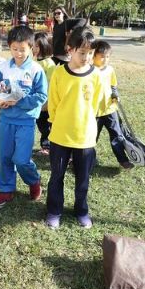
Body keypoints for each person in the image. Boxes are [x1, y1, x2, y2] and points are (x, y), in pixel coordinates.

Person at [46, 26, 102, 229]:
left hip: (85, 136)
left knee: (82, 180)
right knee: (56, 177)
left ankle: (81, 210)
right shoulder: (59, 73)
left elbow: (96, 104)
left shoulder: (96, 75)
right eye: (82, 53)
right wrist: (57, 122)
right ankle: (54, 210)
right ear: (69, 49)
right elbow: (53, 103)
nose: (86, 57)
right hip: (60, 135)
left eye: (89, 53)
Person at [0, 25, 48, 209]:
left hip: (25, 122)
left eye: (22, 49)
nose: (18, 53)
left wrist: (19, 101)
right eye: (14, 49)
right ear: (9, 47)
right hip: (6, 119)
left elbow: (41, 96)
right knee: (4, 157)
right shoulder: (4, 66)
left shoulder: (35, 70)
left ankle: (33, 180)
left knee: (21, 159)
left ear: (31, 47)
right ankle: (6, 189)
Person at [92, 40, 134, 169]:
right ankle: (87, 159)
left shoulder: (110, 70)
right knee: (91, 138)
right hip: (94, 112)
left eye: (108, 57)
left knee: (117, 135)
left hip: (110, 109)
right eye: (102, 57)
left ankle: (122, 160)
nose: (105, 60)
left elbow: (113, 85)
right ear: (93, 56)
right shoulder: (89, 71)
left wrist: (115, 94)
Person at [32, 31, 56, 156]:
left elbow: (50, 84)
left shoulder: (49, 64)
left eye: (37, 45)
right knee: (40, 124)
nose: (34, 49)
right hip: (36, 102)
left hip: (45, 102)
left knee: (46, 126)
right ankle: (46, 145)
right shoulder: (33, 61)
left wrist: (46, 101)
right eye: (33, 46)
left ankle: (47, 146)